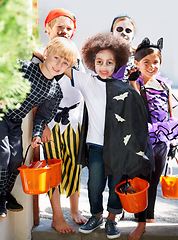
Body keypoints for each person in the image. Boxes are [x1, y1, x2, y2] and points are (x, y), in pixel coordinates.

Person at [63, 32, 153, 240]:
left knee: (116, 185)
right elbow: (62, 66)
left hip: (118, 149)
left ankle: (112, 218)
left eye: (110, 62)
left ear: (117, 64)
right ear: (92, 62)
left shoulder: (125, 88)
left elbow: (137, 119)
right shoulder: (86, 82)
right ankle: (96, 216)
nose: (104, 66)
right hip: (95, 146)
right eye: (99, 61)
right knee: (94, 185)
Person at [0, 36, 78, 218]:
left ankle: (4, 193)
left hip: (14, 121)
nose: (59, 65)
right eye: (56, 57)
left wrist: (37, 134)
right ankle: (1, 196)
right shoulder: (24, 68)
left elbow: (42, 116)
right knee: (3, 154)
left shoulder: (54, 91)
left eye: (65, 63)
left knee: (17, 159)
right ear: (46, 53)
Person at [32, 8, 87, 233]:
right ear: (48, 29)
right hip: (51, 123)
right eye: (59, 27)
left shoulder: (76, 57)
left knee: (74, 167)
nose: (64, 31)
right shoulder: (40, 56)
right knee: (54, 168)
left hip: (73, 121)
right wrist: (41, 124)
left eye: (68, 28)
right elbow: (34, 94)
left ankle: (74, 210)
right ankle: (57, 215)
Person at [134, 37, 178, 223]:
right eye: (146, 62)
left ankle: (148, 216)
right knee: (142, 178)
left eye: (155, 62)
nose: (152, 66)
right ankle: (141, 215)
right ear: (137, 64)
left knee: (155, 178)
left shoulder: (164, 85)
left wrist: (173, 141)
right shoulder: (136, 83)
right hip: (142, 138)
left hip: (162, 139)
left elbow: (170, 112)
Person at [110, 15, 138, 89]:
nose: (123, 33)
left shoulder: (138, 55)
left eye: (128, 31)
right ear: (112, 33)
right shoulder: (104, 54)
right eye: (119, 29)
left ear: (133, 35)